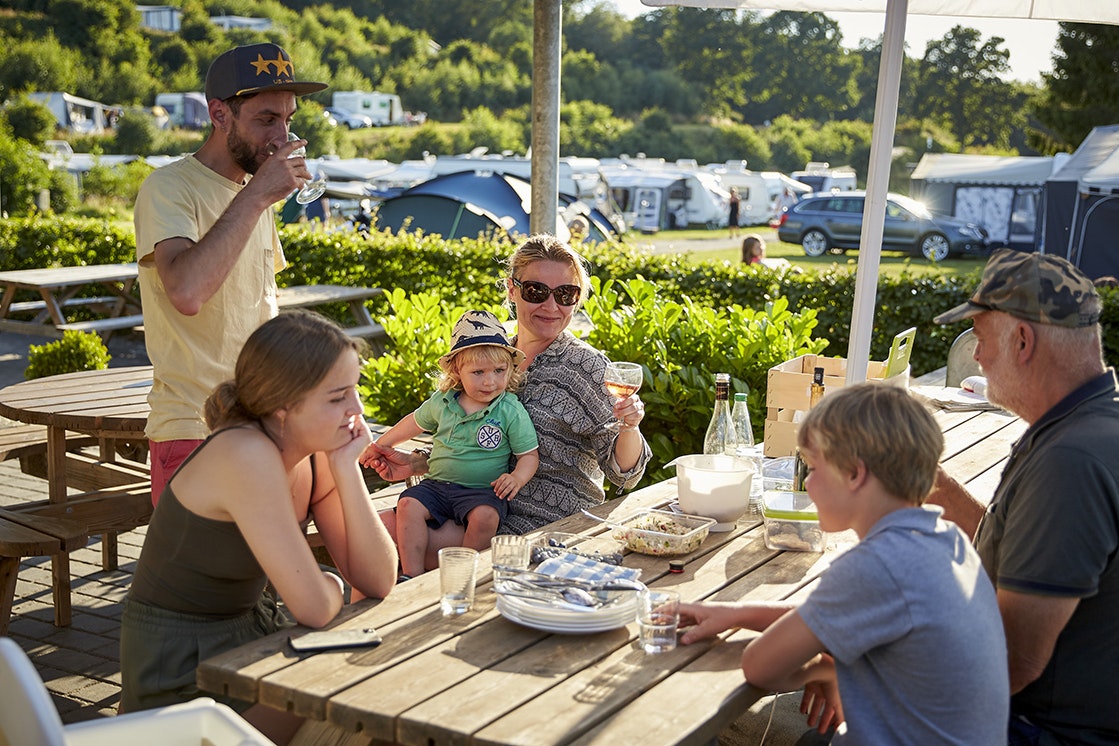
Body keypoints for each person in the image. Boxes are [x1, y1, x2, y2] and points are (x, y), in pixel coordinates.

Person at [119, 311, 397, 744]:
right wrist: (325, 583)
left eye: (355, 390)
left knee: (382, 695)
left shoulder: (314, 451)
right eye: (338, 396)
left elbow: (378, 578)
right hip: (182, 672)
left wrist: (347, 468)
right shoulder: (245, 452)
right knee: (371, 709)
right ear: (283, 406)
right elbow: (316, 608)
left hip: (248, 642)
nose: (357, 410)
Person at [678, 384, 1008, 744]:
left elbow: (759, 665)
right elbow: (839, 613)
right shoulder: (946, 540)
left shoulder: (876, 566)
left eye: (814, 467)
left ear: (855, 473)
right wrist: (738, 614)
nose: (807, 482)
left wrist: (823, 667)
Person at [363, 234, 652, 569]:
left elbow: (627, 475)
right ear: (512, 289)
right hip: (472, 506)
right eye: (536, 291)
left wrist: (629, 426)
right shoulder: (491, 358)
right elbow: (483, 443)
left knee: (380, 537)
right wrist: (418, 463)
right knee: (370, 530)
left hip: (544, 526)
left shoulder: (586, 367)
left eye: (566, 294)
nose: (551, 306)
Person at [928, 248, 1119, 744]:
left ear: (1022, 340)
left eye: (981, 336)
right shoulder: (1084, 424)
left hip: (1043, 728)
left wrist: (856, 663)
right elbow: (1035, 556)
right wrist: (947, 496)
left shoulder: (1070, 460)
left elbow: (1014, 661)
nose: (976, 354)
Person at [134, 42, 327, 502]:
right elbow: (186, 291)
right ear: (219, 114)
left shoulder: (254, 191)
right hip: (194, 428)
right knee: (203, 576)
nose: (283, 135)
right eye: (266, 120)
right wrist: (259, 195)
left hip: (264, 423)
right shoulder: (169, 187)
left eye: (288, 119)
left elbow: (260, 307)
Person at [373, 310, 540, 579]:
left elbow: (529, 455)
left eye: (499, 371)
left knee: (487, 517)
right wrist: (381, 444)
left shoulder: (509, 409)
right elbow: (412, 423)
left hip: (482, 491)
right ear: (456, 371)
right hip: (438, 486)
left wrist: (517, 478)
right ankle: (411, 575)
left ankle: (464, 576)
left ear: (510, 369)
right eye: (478, 372)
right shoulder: (443, 402)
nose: (490, 381)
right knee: (408, 506)